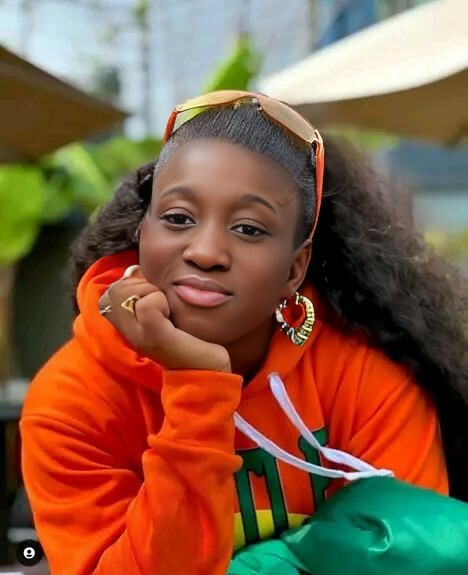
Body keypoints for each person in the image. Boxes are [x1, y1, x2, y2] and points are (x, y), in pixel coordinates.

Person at [19, 91, 467, 575]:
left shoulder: (360, 377)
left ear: (294, 269)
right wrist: (198, 385)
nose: (206, 251)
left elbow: (424, 557)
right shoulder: (74, 400)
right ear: (143, 232)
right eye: (178, 218)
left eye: (249, 229)